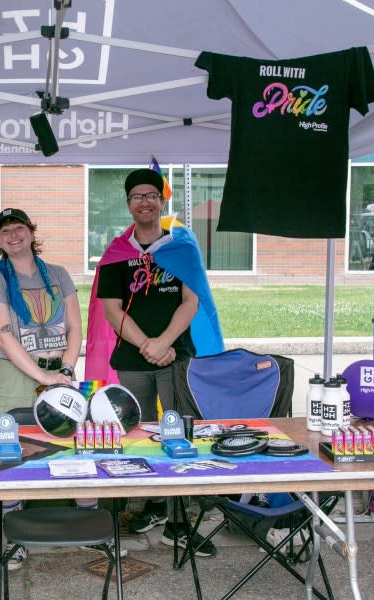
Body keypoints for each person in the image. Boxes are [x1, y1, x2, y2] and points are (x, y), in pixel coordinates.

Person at [87, 168, 224, 557]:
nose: (145, 202)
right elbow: (111, 310)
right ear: (128, 204)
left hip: (175, 358)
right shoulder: (116, 253)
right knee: (136, 434)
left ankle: (177, 523)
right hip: (132, 360)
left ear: (161, 203)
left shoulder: (182, 248)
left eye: (151, 195)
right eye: (137, 196)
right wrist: (145, 343)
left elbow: (191, 301)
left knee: (177, 435)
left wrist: (163, 343)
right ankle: (147, 506)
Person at [0, 208, 111, 569]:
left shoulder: (58, 274)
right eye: (5, 231)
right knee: (12, 452)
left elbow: (74, 327)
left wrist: (65, 368)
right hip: (14, 376)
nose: (13, 235)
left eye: (18, 228)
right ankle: (14, 537)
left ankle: (89, 526)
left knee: (73, 444)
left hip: (60, 373)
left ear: (31, 232)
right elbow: (5, 337)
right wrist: (42, 377)